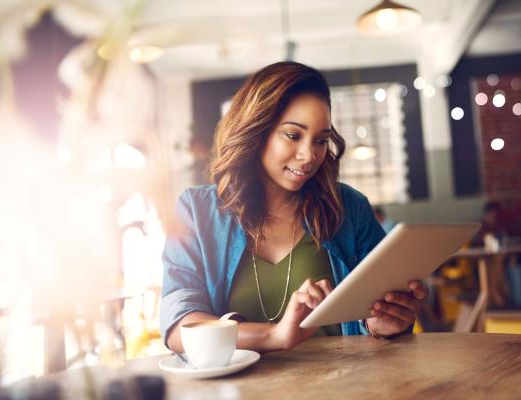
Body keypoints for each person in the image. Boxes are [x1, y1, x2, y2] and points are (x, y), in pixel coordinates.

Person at [160, 62, 427, 353]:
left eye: (321, 140)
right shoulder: (196, 213)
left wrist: (383, 324)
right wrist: (272, 336)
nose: (309, 155)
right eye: (293, 135)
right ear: (256, 130)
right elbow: (179, 328)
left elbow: (379, 318)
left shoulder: (349, 208)